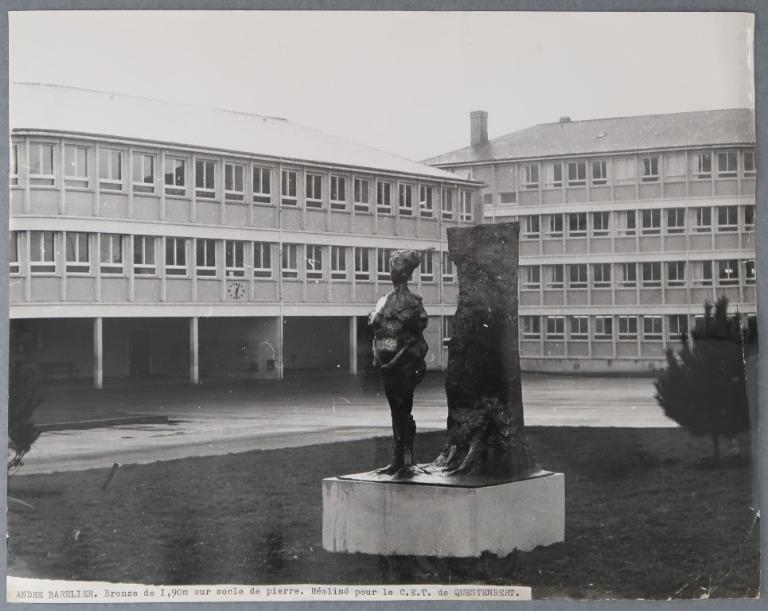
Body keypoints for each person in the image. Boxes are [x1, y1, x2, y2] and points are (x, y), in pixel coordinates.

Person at [368, 249, 428, 475]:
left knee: (403, 410)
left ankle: (406, 459)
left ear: (407, 273)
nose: (394, 272)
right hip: (387, 365)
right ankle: (399, 459)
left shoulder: (414, 302)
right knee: (396, 411)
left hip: (404, 364)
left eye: (398, 268)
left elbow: (416, 331)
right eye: (392, 268)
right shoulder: (384, 301)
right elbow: (377, 327)